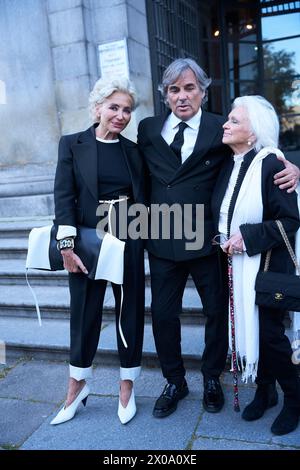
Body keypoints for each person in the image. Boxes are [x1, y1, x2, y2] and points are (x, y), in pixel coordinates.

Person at [137, 58, 300, 418]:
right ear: (165, 95)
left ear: (203, 92)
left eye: (190, 88)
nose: (182, 96)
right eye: (174, 89)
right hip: (161, 238)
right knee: (163, 315)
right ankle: (174, 381)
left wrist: (294, 168)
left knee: (216, 312)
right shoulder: (147, 129)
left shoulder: (220, 127)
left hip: (208, 241)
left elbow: (260, 155)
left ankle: (212, 377)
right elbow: (132, 174)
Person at [51, 77, 145, 426]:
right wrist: (66, 245)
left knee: (129, 313)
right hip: (88, 240)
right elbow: (64, 196)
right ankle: (77, 385)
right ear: (97, 108)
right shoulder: (72, 144)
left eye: (127, 110)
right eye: (114, 107)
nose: (121, 115)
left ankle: (127, 385)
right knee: (84, 314)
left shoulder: (133, 151)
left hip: (129, 236)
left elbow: (144, 198)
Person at [211, 95, 300, 436]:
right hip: (234, 264)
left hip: (265, 266)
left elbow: (290, 219)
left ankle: (294, 399)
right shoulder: (228, 163)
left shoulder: (272, 163)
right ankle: (265, 393)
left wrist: (245, 237)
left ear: (253, 132)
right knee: (254, 334)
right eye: (228, 119)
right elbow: (224, 214)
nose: (226, 124)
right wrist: (221, 237)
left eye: (234, 121)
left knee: (270, 337)